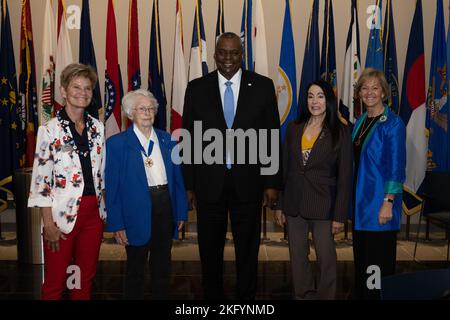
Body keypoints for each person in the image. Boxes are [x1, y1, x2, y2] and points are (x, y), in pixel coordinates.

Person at [182, 32, 282, 300]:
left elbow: (271, 135)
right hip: (208, 184)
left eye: (234, 53)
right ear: (215, 55)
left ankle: (246, 298)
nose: (228, 58)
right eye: (223, 53)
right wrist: (188, 185)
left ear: (242, 55)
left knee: (247, 248)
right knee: (209, 249)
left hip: (248, 183)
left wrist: (272, 182)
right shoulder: (196, 88)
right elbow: (189, 139)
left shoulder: (262, 86)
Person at [28, 63, 105, 300]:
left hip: (93, 214)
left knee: (83, 277)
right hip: (60, 217)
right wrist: (48, 223)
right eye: (76, 87)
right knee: (55, 281)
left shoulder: (98, 128)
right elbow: (41, 180)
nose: (82, 92)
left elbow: (101, 173)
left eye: (87, 88)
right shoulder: (49, 130)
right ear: (63, 91)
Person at [105, 89, 187, 300]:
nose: (148, 113)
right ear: (130, 113)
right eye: (142, 109)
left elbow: (178, 180)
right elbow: (112, 188)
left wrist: (181, 212)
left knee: (162, 266)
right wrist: (117, 224)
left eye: (151, 108)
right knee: (136, 268)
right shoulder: (116, 144)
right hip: (134, 211)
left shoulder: (168, 140)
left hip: (165, 206)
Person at [274, 80, 352, 299]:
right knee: (298, 257)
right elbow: (286, 169)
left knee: (326, 258)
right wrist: (280, 205)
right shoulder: (293, 127)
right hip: (294, 204)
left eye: (320, 96)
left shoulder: (340, 132)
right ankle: (303, 295)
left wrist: (339, 216)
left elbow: (345, 177)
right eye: (310, 96)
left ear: (328, 100)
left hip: (324, 205)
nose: (314, 101)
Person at [352, 68, 406, 300]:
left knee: (377, 265)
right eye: (365, 88)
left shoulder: (392, 124)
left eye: (375, 88)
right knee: (363, 260)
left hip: (379, 205)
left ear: (384, 92)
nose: (369, 92)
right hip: (361, 205)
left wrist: (388, 202)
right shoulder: (361, 120)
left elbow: (396, 166)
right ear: (359, 93)